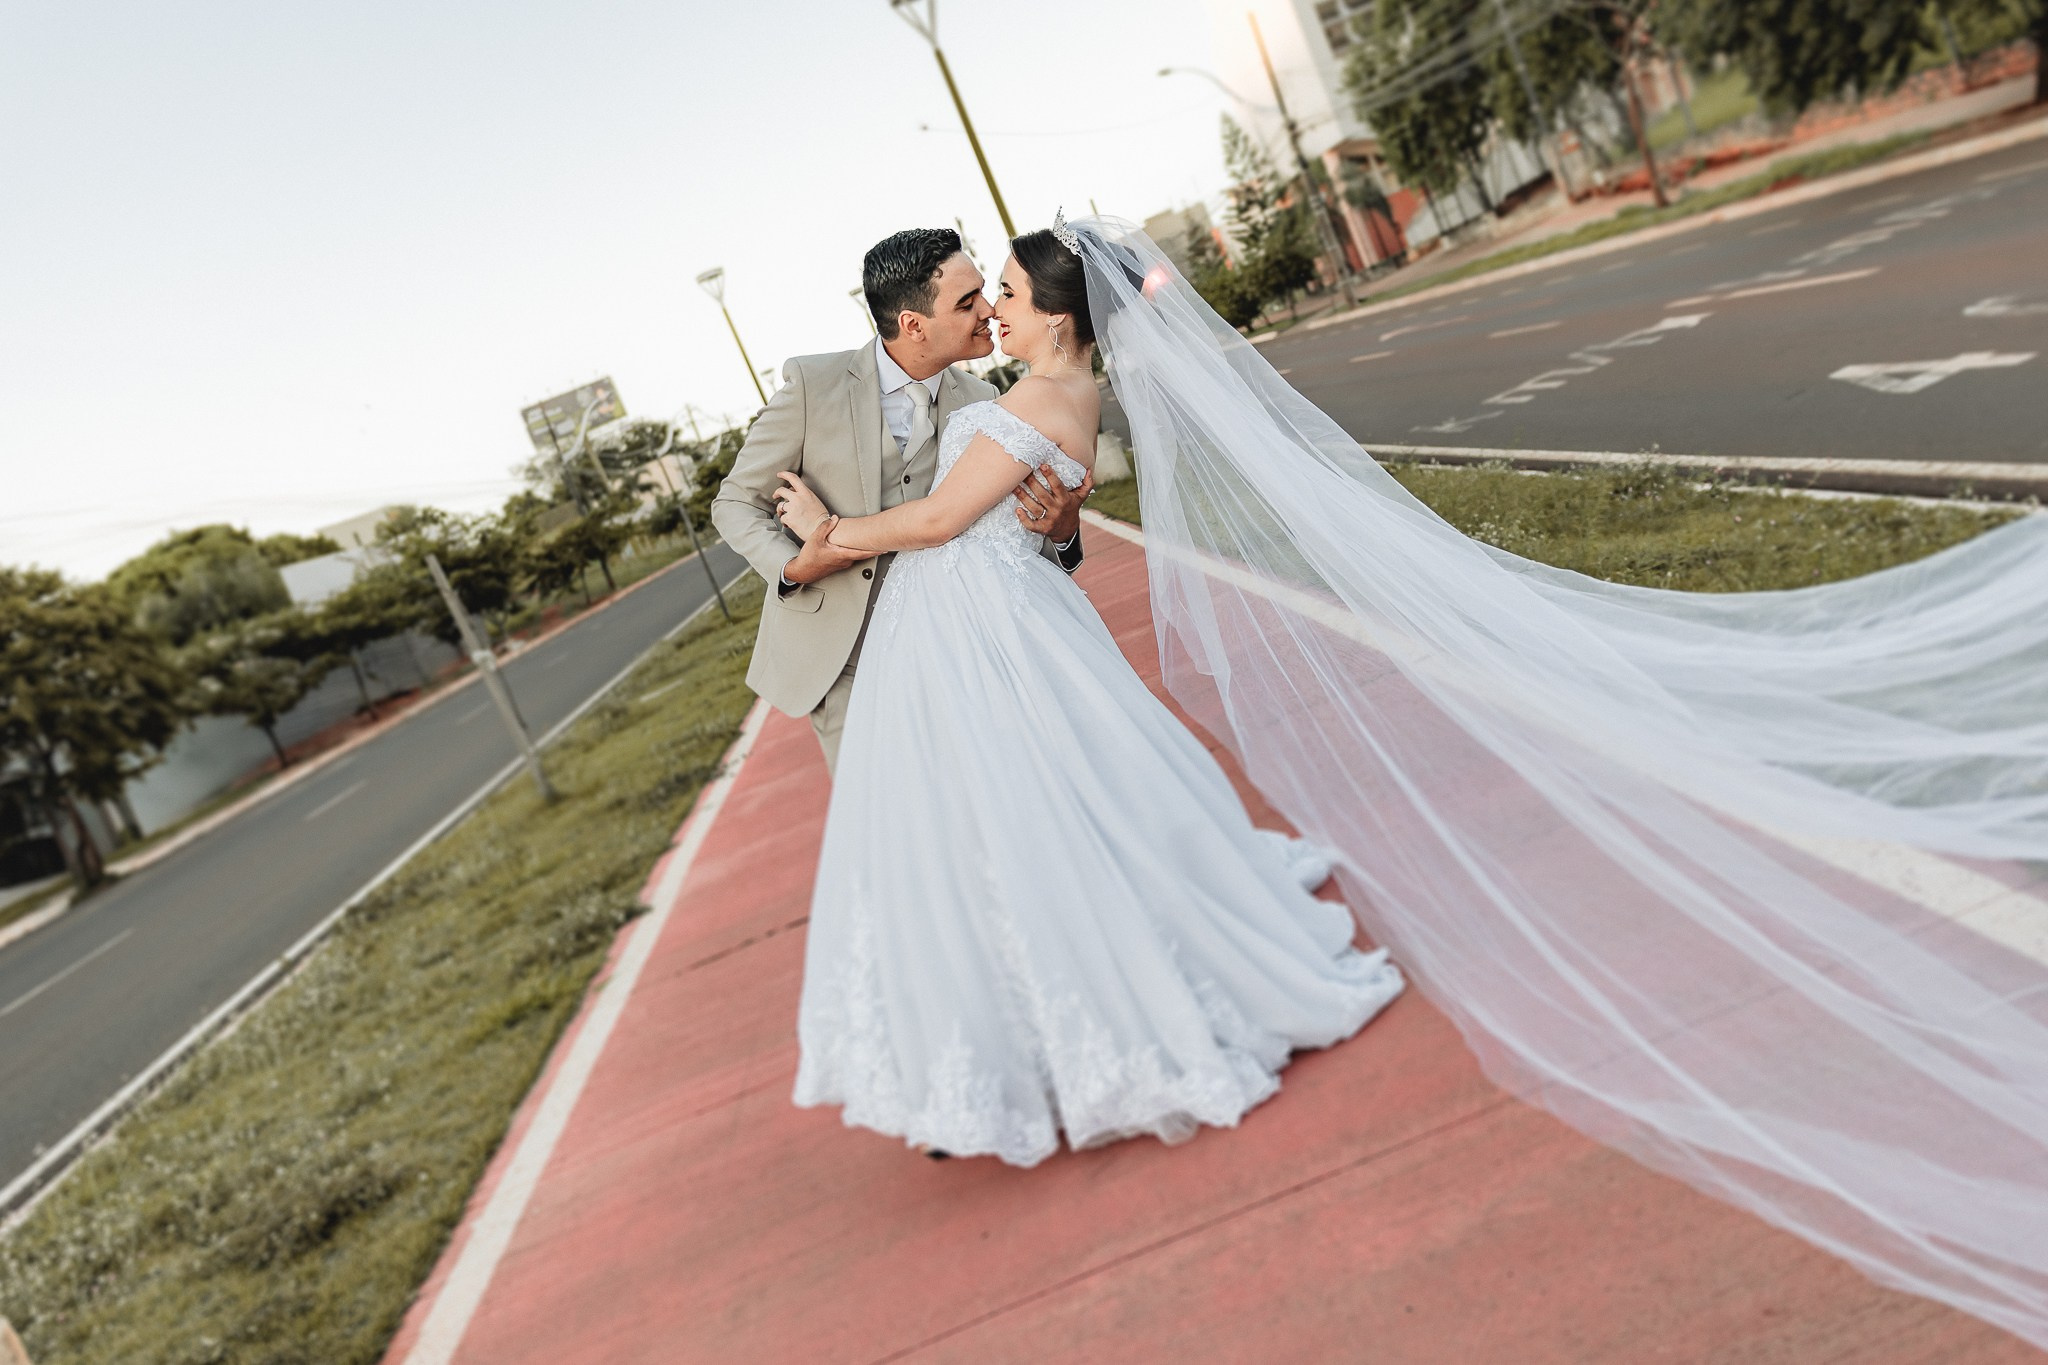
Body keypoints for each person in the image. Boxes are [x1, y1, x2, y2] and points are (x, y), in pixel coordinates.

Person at [769, 219, 1406, 1168]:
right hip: (968, 621)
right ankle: (996, 1024)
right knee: (991, 823)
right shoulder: (1039, 388)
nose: (993, 309)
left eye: (1008, 297)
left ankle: (1046, 1029)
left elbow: (945, 518)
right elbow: (1015, 508)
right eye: (978, 297)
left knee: (1024, 818)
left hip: (984, 628)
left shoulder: (1045, 394)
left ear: (1060, 321)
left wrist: (828, 535)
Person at [710, 227, 1094, 773]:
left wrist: (1064, 532)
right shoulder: (812, 385)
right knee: (883, 828)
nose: (987, 309)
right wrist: (795, 566)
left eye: (989, 292)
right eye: (967, 302)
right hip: (841, 660)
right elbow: (733, 503)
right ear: (913, 324)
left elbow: (1004, 536)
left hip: (958, 648)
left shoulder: (991, 403)